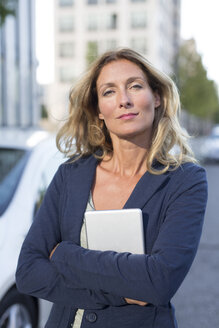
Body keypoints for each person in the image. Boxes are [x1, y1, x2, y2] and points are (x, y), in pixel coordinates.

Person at [16, 48, 208, 328]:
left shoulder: (185, 181)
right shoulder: (70, 175)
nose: (124, 100)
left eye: (135, 86)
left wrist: (65, 255)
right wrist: (126, 289)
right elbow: (29, 271)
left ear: (156, 98)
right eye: (109, 92)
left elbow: (158, 281)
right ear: (98, 111)